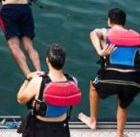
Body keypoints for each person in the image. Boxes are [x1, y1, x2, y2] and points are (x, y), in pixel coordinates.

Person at [78, 8, 139, 137]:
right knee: (123, 104)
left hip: (111, 77)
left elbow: (93, 33)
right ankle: (119, 134)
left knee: (93, 87)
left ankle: (92, 121)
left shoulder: (106, 32)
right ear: (124, 22)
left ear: (109, 21)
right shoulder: (136, 35)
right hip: (133, 81)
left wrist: (100, 51)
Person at [17, 44, 80, 137]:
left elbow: (20, 99)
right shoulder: (73, 81)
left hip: (39, 129)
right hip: (62, 129)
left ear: (47, 61)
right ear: (65, 61)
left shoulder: (38, 82)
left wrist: (27, 79)